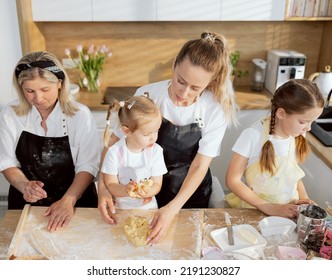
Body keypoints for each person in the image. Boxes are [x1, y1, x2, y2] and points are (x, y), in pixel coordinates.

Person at [98, 31, 239, 244]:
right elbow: (112, 144)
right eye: (180, 81)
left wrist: (173, 208)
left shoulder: (214, 108)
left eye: (195, 88)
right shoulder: (148, 95)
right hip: (149, 193)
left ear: (210, 83)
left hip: (190, 194)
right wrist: (103, 188)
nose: (184, 92)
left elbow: (200, 166)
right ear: (174, 64)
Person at [0, 51, 100, 231]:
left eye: (45, 89)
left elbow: (87, 165)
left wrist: (68, 201)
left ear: (59, 83)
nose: (38, 98)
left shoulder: (80, 115)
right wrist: (24, 185)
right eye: (29, 91)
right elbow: (6, 161)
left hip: (75, 200)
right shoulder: (11, 114)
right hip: (27, 201)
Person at [225, 79, 324, 218]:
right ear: (281, 113)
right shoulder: (252, 136)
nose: (308, 128)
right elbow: (232, 180)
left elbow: (292, 175)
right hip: (256, 211)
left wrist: (304, 198)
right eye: (303, 122)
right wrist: (269, 208)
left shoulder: (296, 134)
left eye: (312, 121)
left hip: (288, 212)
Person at [101, 95, 167, 209]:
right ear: (127, 131)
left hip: (148, 209)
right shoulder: (114, 153)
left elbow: (157, 183)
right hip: (121, 210)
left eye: (156, 131)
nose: (153, 138)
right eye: (147, 134)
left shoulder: (156, 151)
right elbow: (111, 184)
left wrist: (146, 191)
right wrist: (126, 190)